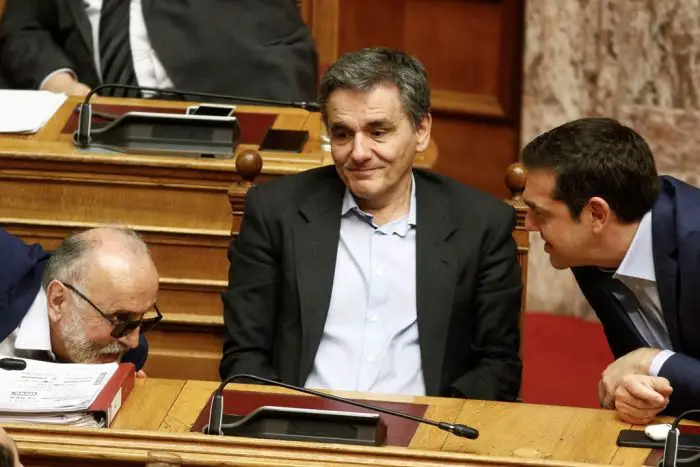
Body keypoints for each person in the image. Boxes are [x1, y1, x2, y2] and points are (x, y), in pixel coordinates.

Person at [220, 47, 523, 400]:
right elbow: (245, 356)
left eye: (378, 132)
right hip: (299, 431)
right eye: (343, 134)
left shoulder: (480, 224)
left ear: (421, 130)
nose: (359, 153)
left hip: (422, 438)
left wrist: (434, 435)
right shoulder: (275, 212)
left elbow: (498, 366)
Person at [521, 117, 700, 423]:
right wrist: (638, 392)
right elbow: (640, 374)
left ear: (597, 214)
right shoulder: (591, 255)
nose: (529, 225)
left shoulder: (694, 239)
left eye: (540, 214)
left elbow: (649, 362)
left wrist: (653, 361)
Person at [0, 0, 317, 101]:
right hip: (94, 119)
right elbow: (24, 29)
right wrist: (61, 85)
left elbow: (276, 42)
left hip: (218, 106)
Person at [0, 227, 160, 371]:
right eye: (120, 318)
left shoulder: (128, 356)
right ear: (58, 301)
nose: (133, 342)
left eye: (142, 320)